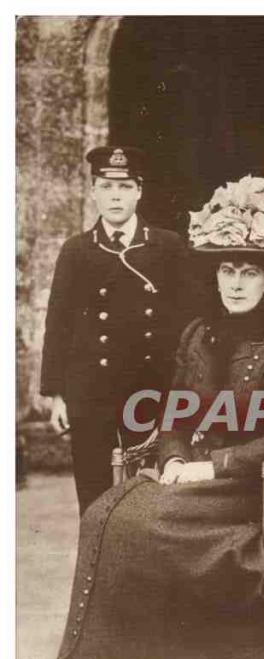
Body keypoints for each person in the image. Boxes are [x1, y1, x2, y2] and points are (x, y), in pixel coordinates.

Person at [47, 177, 264, 659]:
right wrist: (173, 454)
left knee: (138, 522)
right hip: (187, 473)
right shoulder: (198, 334)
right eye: (227, 271)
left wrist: (210, 467)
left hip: (246, 486)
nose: (236, 284)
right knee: (103, 512)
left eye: (249, 273)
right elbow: (174, 411)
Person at [40, 146, 194, 516]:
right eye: (107, 186)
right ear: (94, 190)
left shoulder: (166, 245)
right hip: (91, 392)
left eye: (124, 187)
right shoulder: (76, 251)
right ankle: (96, 573)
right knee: (92, 496)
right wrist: (56, 394)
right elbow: (58, 322)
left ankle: (142, 574)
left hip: (149, 389)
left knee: (147, 494)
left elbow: (189, 315)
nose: (115, 196)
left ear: (139, 191)